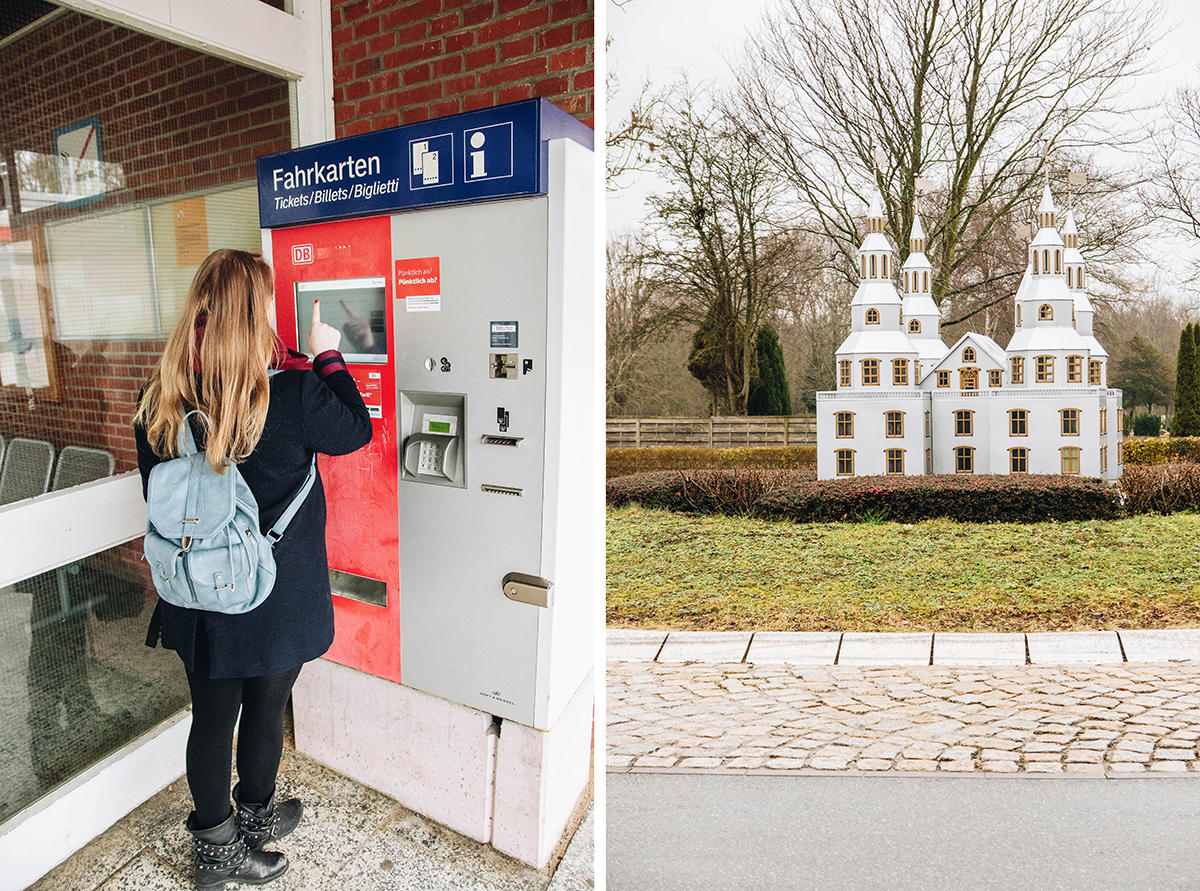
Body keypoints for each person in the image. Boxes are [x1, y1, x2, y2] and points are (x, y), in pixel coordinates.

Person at [133, 249, 372, 888]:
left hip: (196, 592)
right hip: (274, 594)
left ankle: (224, 839)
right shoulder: (292, 395)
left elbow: (158, 493)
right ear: (257, 312)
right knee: (265, 709)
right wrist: (327, 354)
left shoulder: (157, 398)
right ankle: (241, 831)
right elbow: (356, 429)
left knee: (212, 717)